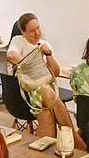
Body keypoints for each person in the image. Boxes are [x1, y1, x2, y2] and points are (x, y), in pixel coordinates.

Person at [5, 12, 83, 145]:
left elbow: (56, 72)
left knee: (46, 111)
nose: (37, 33)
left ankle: (44, 151)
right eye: (31, 31)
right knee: (46, 90)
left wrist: (48, 54)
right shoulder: (18, 41)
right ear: (23, 32)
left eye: (38, 29)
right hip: (26, 93)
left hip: (45, 91)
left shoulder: (44, 44)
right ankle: (74, 138)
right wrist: (30, 65)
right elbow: (11, 55)